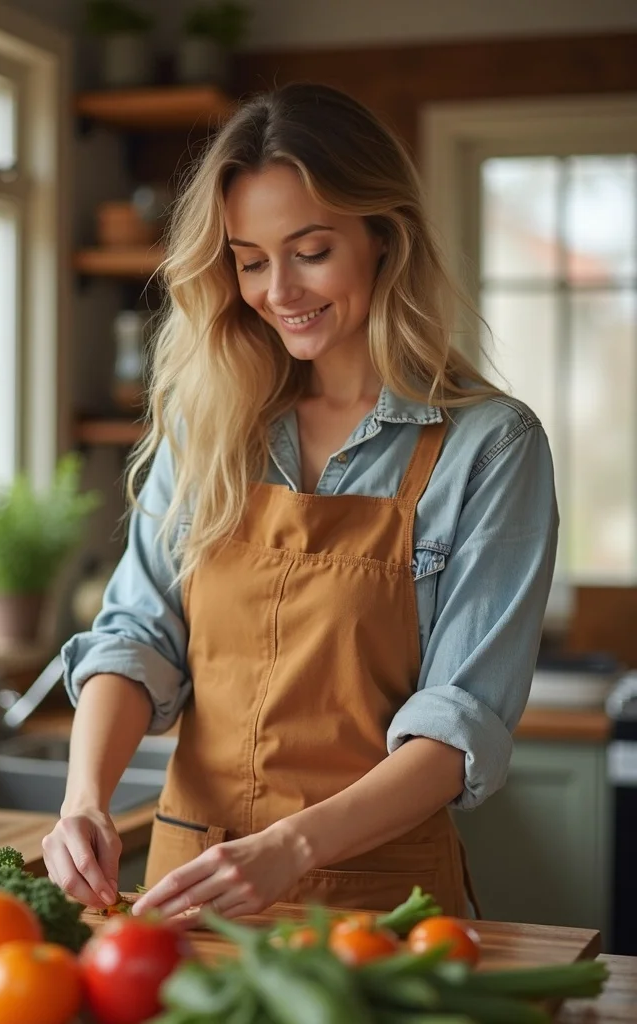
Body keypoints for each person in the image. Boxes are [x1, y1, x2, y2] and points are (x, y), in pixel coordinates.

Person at [42, 82, 558, 923]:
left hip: (383, 906)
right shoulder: (207, 423)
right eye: (249, 260)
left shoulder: (490, 446)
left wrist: (291, 845)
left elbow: (458, 723)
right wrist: (84, 799)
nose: (278, 289)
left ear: (383, 240)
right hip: (189, 890)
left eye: (310, 250)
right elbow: (137, 636)